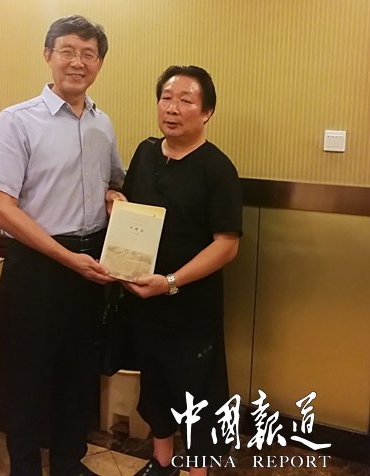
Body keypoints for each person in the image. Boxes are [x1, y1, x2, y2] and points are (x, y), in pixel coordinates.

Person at [0, 15, 125, 476]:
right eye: (68, 51)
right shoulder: (17, 121)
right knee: (28, 375)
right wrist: (66, 259)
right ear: (48, 55)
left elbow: (112, 183)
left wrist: (113, 197)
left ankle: (67, 462)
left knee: (78, 372)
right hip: (38, 265)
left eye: (88, 54)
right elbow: (0, 208)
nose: (78, 62)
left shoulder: (103, 123)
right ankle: (24, 467)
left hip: (90, 262)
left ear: (99, 63)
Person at [121, 66, 243, 476]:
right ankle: (161, 462)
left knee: (197, 394)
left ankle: (197, 470)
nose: (172, 109)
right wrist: (114, 199)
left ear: (207, 112)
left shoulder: (217, 168)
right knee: (154, 382)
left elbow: (227, 245)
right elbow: (133, 213)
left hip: (191, 304)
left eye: (186, 100)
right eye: (166, 98)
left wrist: (171, 282)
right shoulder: (144, 153)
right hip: (144, 297)